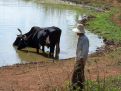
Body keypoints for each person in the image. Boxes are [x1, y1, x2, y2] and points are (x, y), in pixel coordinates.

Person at [71, 23, 89, 91]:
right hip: (78, 60)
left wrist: (81, 61)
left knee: (75, 76)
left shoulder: (85, 39)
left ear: (79, 32)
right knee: (79, 75)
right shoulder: (80, 38)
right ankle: (80, 87)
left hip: (80, 60)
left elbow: (85, 51)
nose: (76, 33)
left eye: (77, 32)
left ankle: (76, 87)